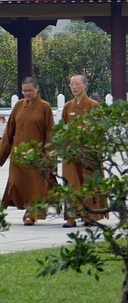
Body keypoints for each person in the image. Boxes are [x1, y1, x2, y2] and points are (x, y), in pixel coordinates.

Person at [0, 76, 56, 225]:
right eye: (24, 91)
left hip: (37, 155)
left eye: (30, 90)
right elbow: (8, 132)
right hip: (18, 154)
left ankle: (32, 213)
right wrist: (1, 155)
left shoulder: (45, 107)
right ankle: (26, 207)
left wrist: (49, 156)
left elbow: (50, 133)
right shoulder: (19, 106)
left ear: (37, 89)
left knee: (36, 185)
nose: (27, 94)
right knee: (17, 183)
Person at [61, 74, 104, 227]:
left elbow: (101, 130)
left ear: (85, 85)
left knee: (89, 183)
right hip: (71, 153)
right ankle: (72, 216)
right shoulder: (68, 106)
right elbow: (64, 128)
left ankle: (89, 215)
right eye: (71, 84)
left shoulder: (94, 105)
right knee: (72, 183)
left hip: (88, 153)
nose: (74, 87)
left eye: (77, 84)